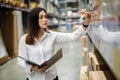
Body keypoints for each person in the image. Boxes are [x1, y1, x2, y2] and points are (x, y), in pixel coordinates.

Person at [17, 7, 91, 80]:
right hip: (34, 78)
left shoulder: (52, 36)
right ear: (34, 20)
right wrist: (33, 68)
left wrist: (85, 24)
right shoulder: (25, 39)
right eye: (41, 17)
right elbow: (20, 61)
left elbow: (73, 36)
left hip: (51, 77)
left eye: (45, 17)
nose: (45, 19)